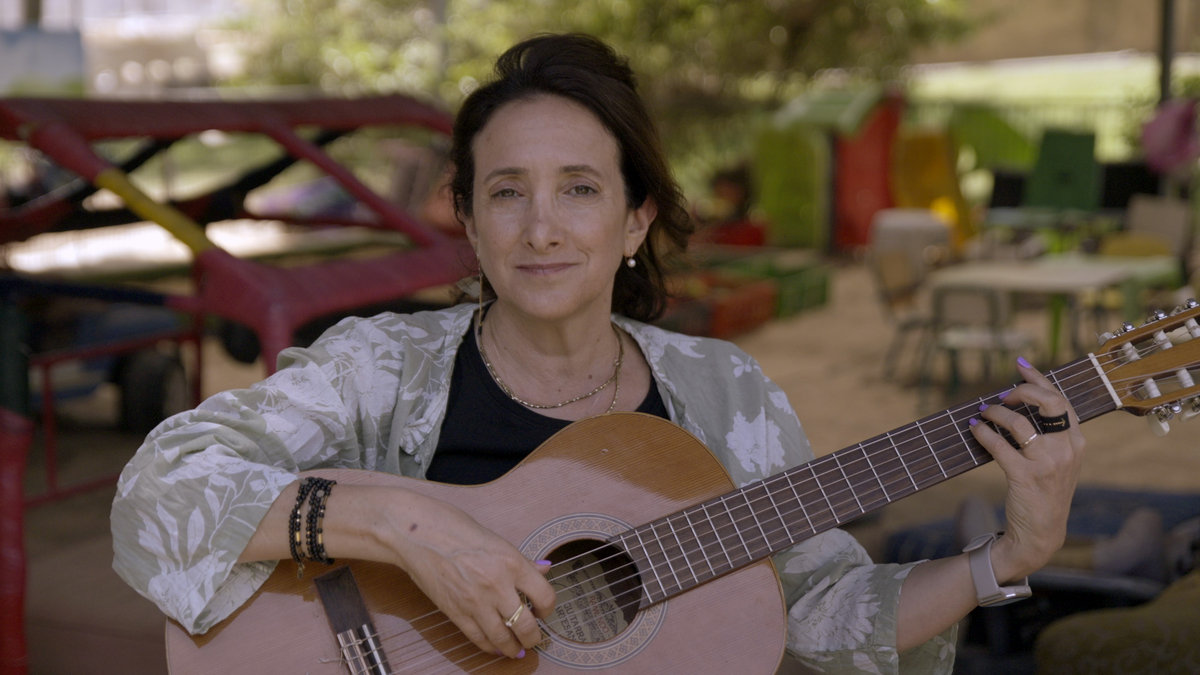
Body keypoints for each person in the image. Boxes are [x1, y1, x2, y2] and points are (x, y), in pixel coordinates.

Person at [111, 33, 1086, 673]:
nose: (542, 228)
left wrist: (1008, 555)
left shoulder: (724, 394)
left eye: (579, 189)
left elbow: (823, 608)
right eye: (507, 192)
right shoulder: (380, 371)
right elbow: (160, 486)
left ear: (636, 218)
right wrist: (408, 528)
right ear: (471, 222)